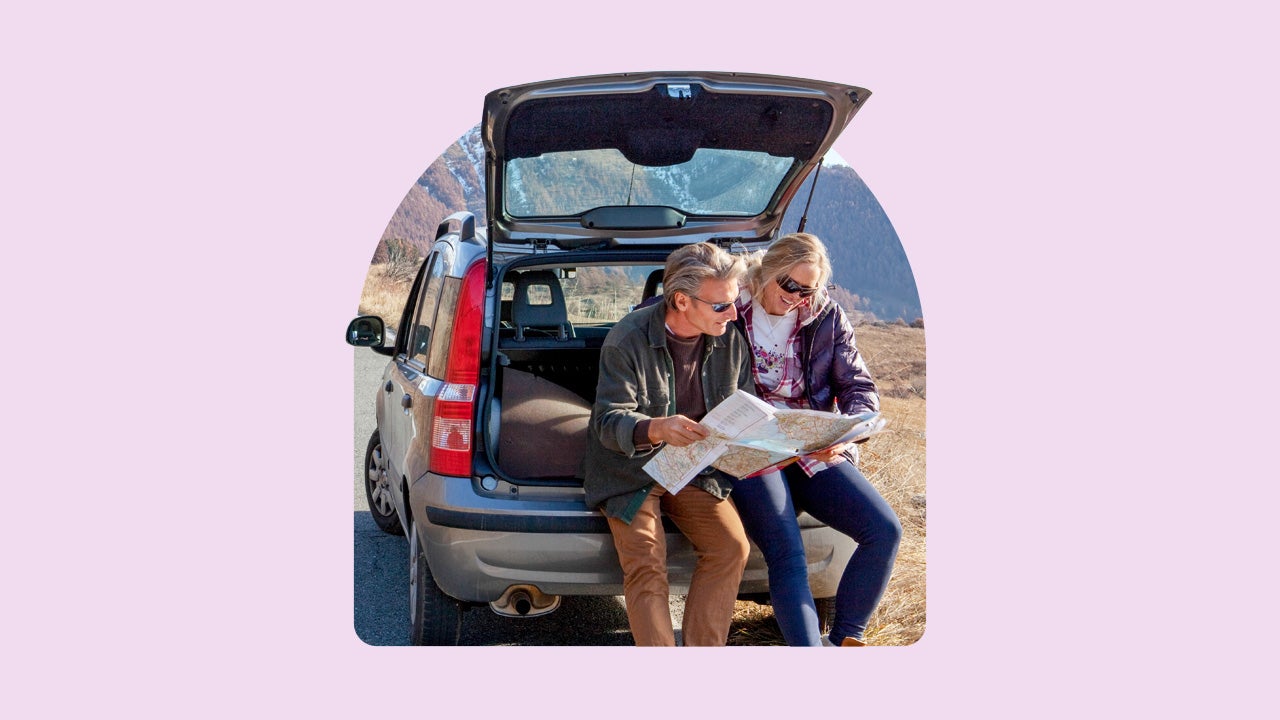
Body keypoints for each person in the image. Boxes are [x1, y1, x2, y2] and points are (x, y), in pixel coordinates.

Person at [729, 232, 902, 647]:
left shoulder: (826, 316)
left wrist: (848, 433)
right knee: (788, 554)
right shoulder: (730, 306)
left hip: (811, 441)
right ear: (766, 272)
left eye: (808, 291)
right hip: (751, 444)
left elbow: (858, 385)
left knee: (885, 530)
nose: (798, 299)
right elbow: (670, 318)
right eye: (790, 286)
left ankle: (844, 639)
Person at [582, 242, 754, 646]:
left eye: (734, 302)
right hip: (629, 470)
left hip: (694, 466)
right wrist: (657, 428)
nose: (732, 314)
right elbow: (608, 421)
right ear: (681, 300)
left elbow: (743, 402)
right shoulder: (627, 339)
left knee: (731, 548)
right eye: (721, 305)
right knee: (646, 565)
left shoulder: (729, 338)